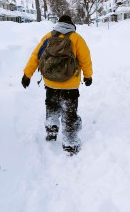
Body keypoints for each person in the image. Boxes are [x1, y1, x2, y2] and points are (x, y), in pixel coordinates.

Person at [21, 15, 93, 155]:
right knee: (70, 112)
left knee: (52, 105)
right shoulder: (76, 38)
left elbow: (35, 56)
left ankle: (52, 127)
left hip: (51, 82)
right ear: (71, 25)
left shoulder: (48, 36)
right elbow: (86, 59)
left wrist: (27, 75)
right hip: (70, 85)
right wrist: (88, 76)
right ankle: (70, 143)